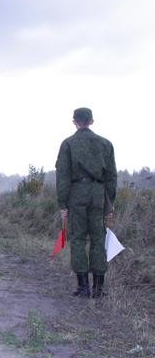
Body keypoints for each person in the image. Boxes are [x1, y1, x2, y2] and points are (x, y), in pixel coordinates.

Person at [55, 107, 117, 299]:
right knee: (99, 238)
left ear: (74, 121)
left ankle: (83, 288)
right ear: (91, 121)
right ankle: (99, 289)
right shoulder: (106, 144)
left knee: (79, 239)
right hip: (99, 194)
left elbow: (63, 176)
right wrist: (110, 204)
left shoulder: (68, 144)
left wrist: (63, 204)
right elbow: (111, 177)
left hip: (76, 194)